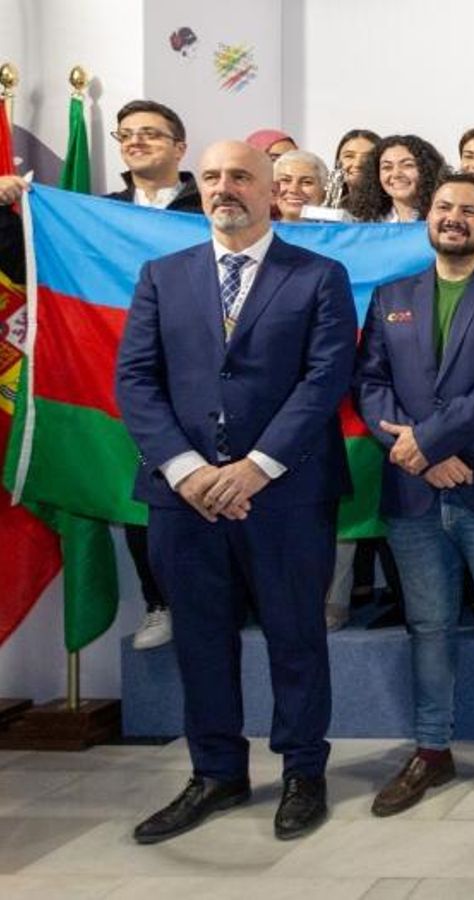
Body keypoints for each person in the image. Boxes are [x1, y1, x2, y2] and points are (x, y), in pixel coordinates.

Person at [115, 140, 357, 843]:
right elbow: (135, 380)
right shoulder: (162, 275)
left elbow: (324, 381)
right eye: (214, 177)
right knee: (200, 640)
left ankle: (303, 773)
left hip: (285, 495)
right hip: (182, 499)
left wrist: (255, 467)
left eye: (241, 177)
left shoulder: (319, 276)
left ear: (272, 192)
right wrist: (189, 471)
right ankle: (216, 773)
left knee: (295, 638)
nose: (225, 188)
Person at [356, 172, 474, 817]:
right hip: (414, 491)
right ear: (428, 219)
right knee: (429, 625)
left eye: (470, 210)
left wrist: (430, 442)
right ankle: (431, 751)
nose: (454, 217)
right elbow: (370, 386)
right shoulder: (390, 296)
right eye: (444, 208)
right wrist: (416, 455)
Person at [104, 99, 204, 653]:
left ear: (179, 147)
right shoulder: (97, 213)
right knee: (148, 489)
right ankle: (158, 601)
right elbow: (33, 262)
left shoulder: (210, 205)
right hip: (128, 371)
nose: (136, 142)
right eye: (126, 135)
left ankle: (226, 604)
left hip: (205, 370)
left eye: (151, 134)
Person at [347, 134, 446, 224]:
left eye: (407, 165)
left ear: (427, 170)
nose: (396, 174)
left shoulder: (443, 220)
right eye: (387, 167)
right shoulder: (367, 224)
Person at [272, 150, 328, 221]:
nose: (293, 190)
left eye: (306, 182)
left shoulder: (340, 231)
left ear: (323, 192)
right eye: (285, 180)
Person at [332, 128, 379, 203]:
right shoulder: (330, 208)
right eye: (349, 156)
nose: (358, 164)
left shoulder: (394, 209)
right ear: (338, 162)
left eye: (367, 157)